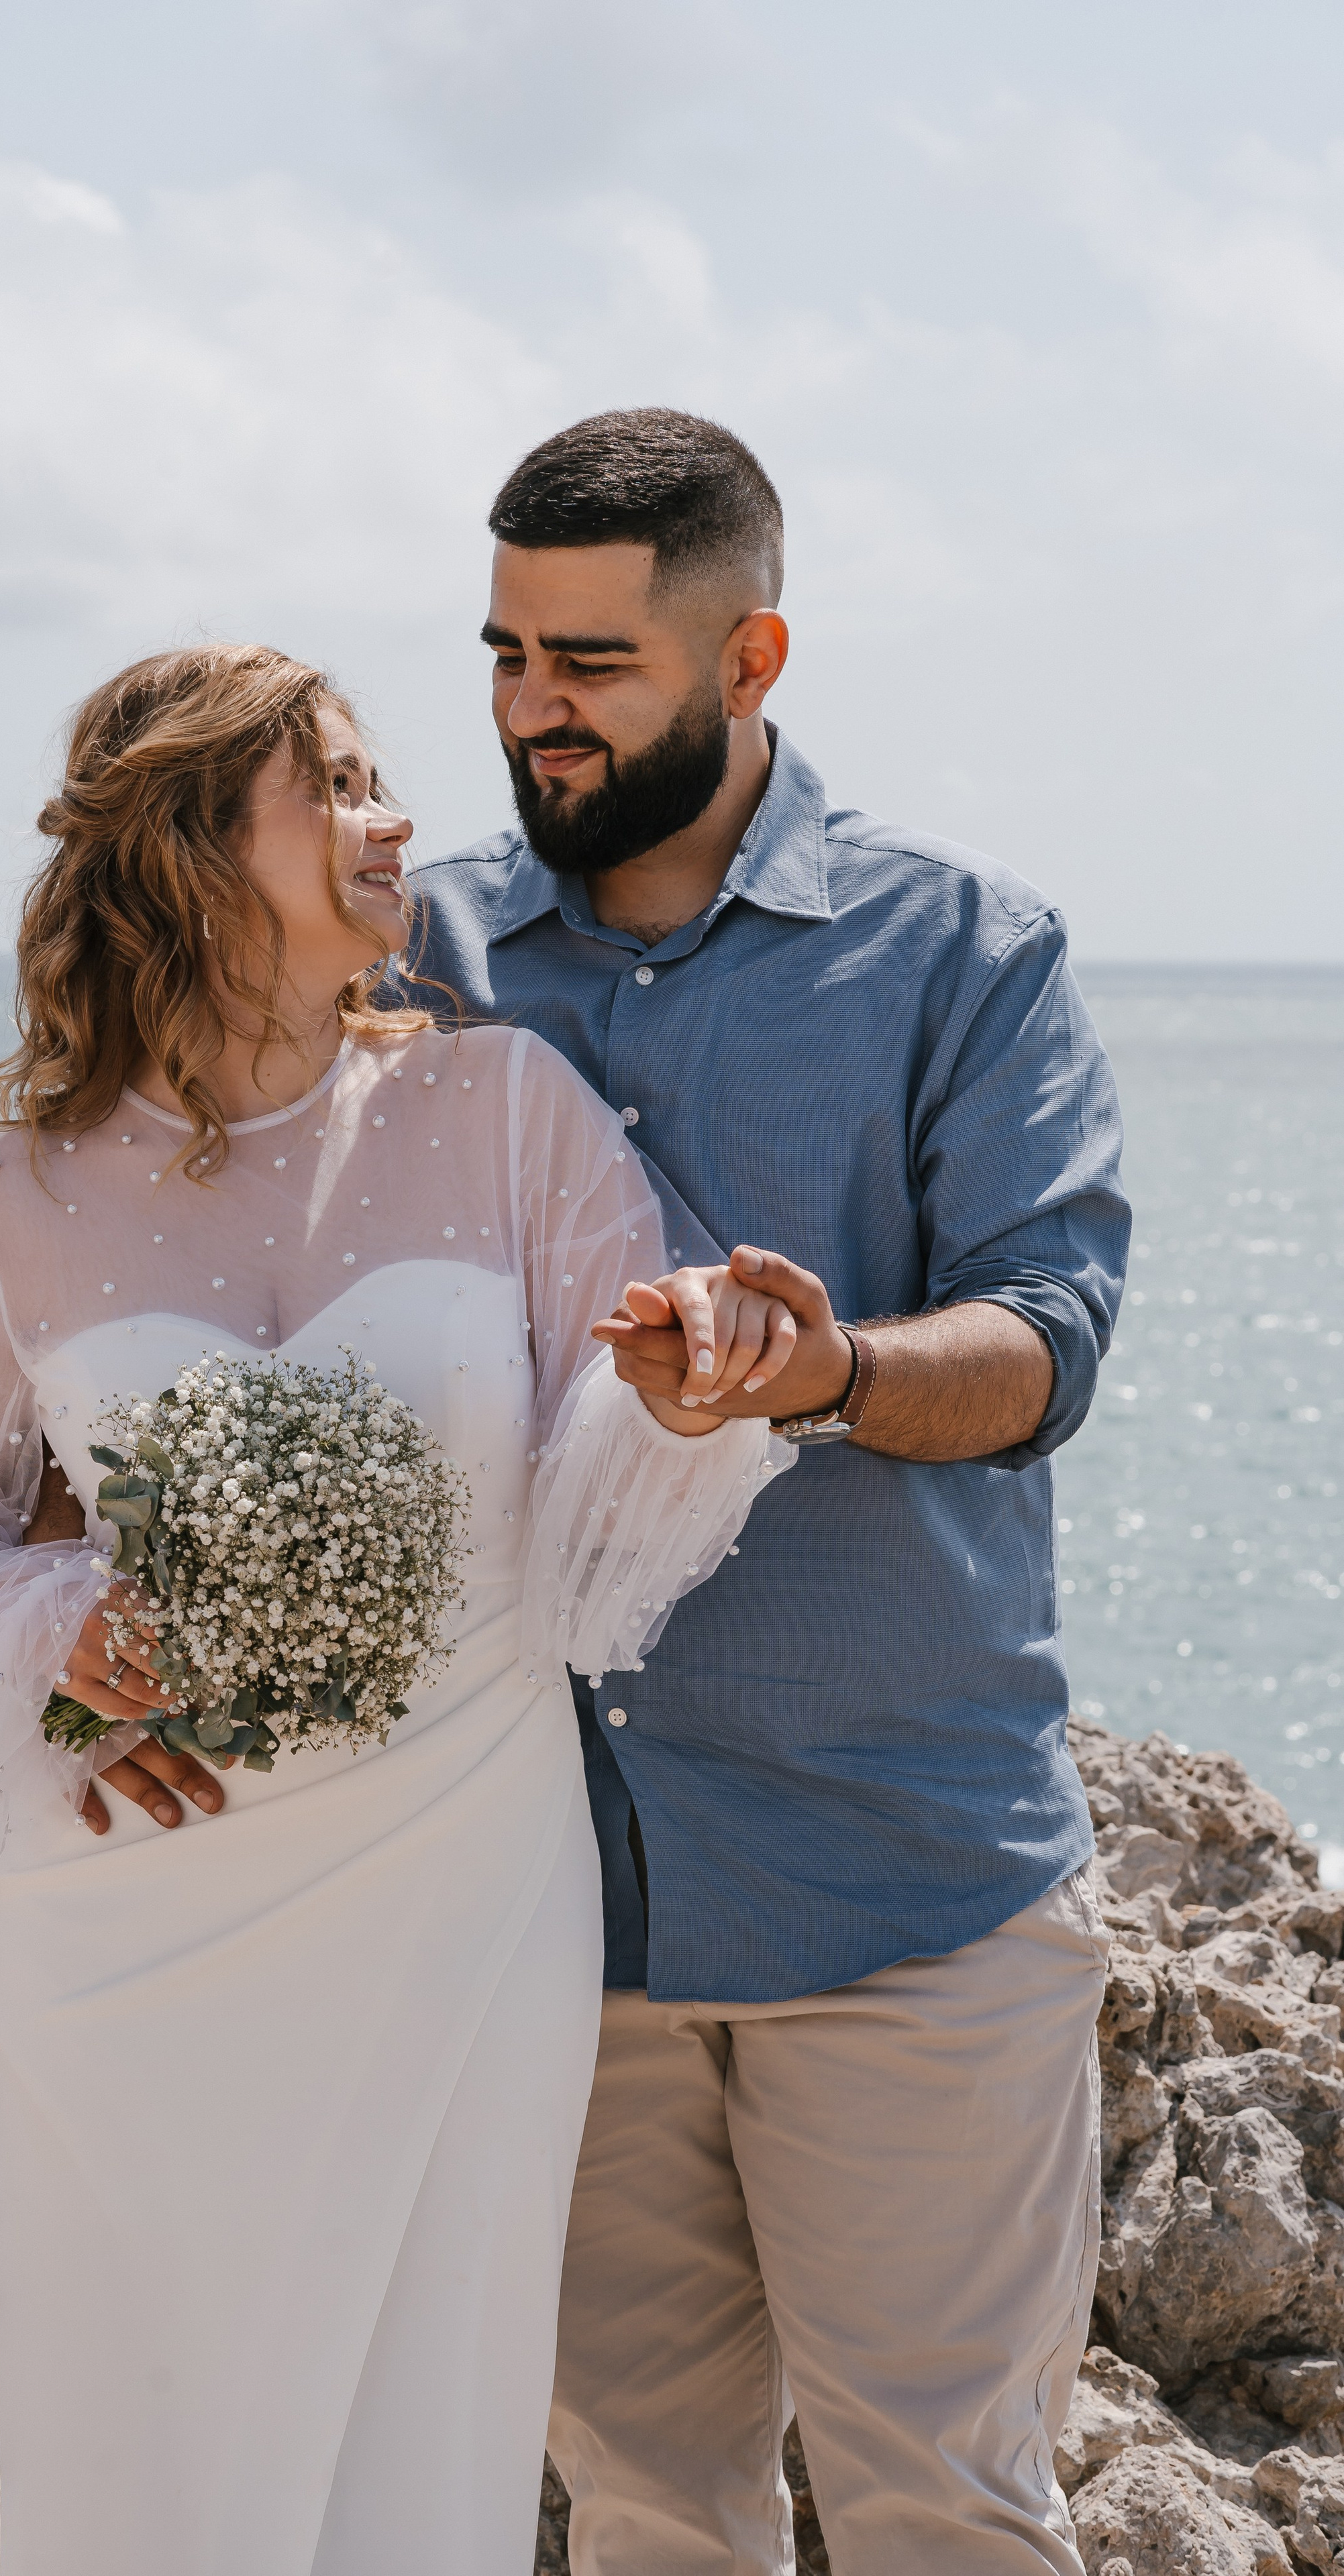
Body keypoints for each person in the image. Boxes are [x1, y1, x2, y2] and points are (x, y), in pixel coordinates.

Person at [0, 642, 799, 2576]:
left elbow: (627, 1397)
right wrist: (73, 1651)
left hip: (466, 1885)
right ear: (189, 844)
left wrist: (694, 1378)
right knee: (149, 2454)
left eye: (379, 780)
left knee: (424, 2429)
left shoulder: (507, 1108)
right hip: (141, 1918)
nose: (396, 820)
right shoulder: (19, 1194)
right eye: (336, 785)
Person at [407, 409, 1132, 2576]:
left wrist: (820, 1376)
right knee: (641, 2521)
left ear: (755, 656)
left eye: (596, 663)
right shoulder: (413, 957)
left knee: (943, 2519)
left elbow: (1045, 1345)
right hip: (553, 1920)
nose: (536, 708)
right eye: (509, 651)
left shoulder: (965, 952)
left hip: (905, 1899)